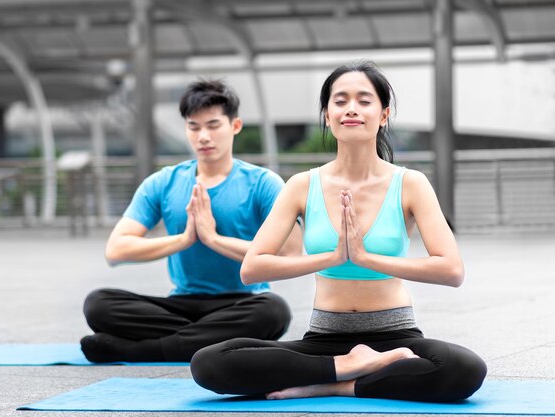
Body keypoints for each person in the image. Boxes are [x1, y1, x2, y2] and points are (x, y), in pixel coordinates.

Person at [190, 62, 487, 402]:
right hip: (324, 338)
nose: (351, 109)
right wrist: (332, 257)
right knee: (209, 363)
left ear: (384, 114)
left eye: (364, 100)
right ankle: (346, 367)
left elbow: (451, 270)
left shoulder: (411, 184)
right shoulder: (302, 185)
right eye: (340, 100)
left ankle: (337, 383)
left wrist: (365, 258)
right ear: (327, 115)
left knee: (465, 369)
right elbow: (252, 268)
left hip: (396, 336)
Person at [81, 79, 301, 363]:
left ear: (235, 126)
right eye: (194, 127)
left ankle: (137, 350)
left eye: (213, 125)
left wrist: (214, 240)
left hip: (243, 302)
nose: (203, 137)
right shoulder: (163, 182)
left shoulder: (264, 183)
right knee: (98, 304)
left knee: (274, 312)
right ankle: (209, 342)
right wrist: (184, 240)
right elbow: (116, 251)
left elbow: (291, 254)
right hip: (180, 304)